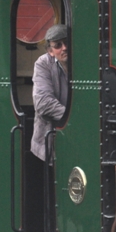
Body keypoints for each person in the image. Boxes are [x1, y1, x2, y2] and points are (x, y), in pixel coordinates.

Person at [31, 23, 70, 163]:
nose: (64, 48)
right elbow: (43, 103)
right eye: (58, 45)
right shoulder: (43, 64)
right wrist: (73, 119)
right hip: (50, 142)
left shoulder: (83, 62)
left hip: (77, 138)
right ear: (50, 51)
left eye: (67, 42)